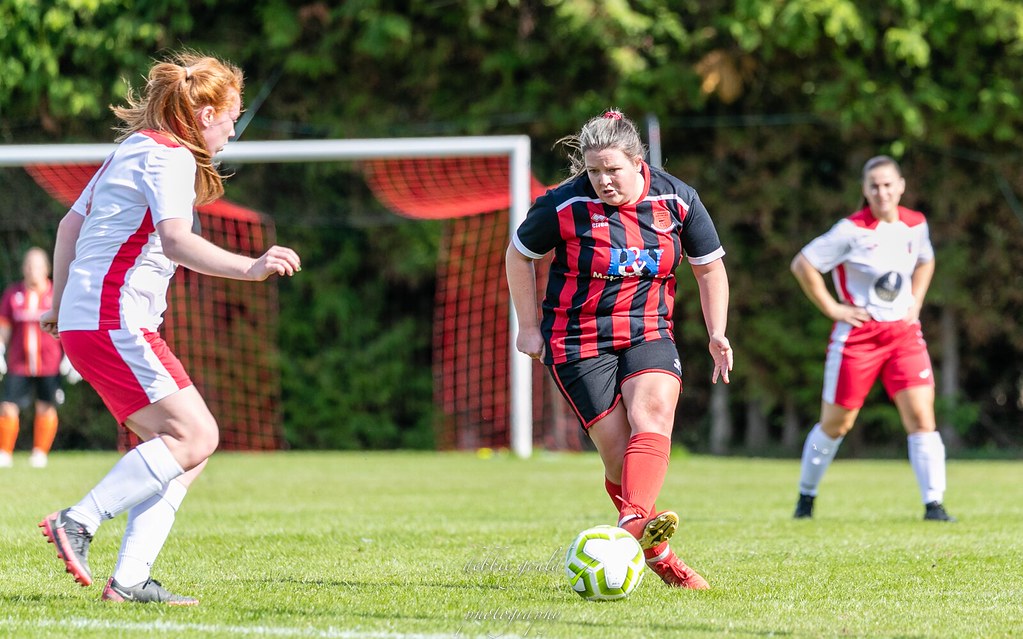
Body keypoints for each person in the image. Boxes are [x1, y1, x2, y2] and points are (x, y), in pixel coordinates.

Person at [37, 50, 302, 605]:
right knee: (198, 436)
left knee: (188, 447)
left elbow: (67, 227)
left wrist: (62, 310)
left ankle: (129, 580)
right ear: (206, 115)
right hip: (116, 318)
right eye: (232, 115)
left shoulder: (132, 149)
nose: (234, 127)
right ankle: (79, 521)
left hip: (92, 321)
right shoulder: (174, 158)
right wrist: (250, 267)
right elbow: (178, 241)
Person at [506, 109, 732, 590]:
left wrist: (717, 332)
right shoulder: (562, 206)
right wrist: (528, 327)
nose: (604, 181)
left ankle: (630, 526)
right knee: (617, 459)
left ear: (637, 161)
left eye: (613, 170)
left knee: (652, 415)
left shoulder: (678, 198)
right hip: (577, 339)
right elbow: (519, 255)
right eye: (593, 172)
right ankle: (660, 555)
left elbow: (709, 268)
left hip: (649, 329)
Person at [790, 155, 954, 522]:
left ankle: (934, 506)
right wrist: (833, 308)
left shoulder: (916, 224)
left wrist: (917, 301)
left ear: (901, 186)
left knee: (922, 416)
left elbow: (926, 260)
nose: (882, 192)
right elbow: (803, 264)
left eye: (888, 184)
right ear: (865, 190)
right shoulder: (851, 230)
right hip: (858, 338)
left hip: (904, 335)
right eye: (874, 186)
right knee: (837, 424)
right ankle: (806, 496)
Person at [0, 247, 81, 468]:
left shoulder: (57, 294)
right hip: (19, 363)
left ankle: (39, 453)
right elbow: (4, 326)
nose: (31, 270)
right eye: (28, 265)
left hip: (49, 364)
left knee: (46, 406)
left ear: (46, 268)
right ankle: (4, 453)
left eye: (36, 265)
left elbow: (68, 326)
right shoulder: (13, 294)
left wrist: (72, 356)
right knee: (8, 406)